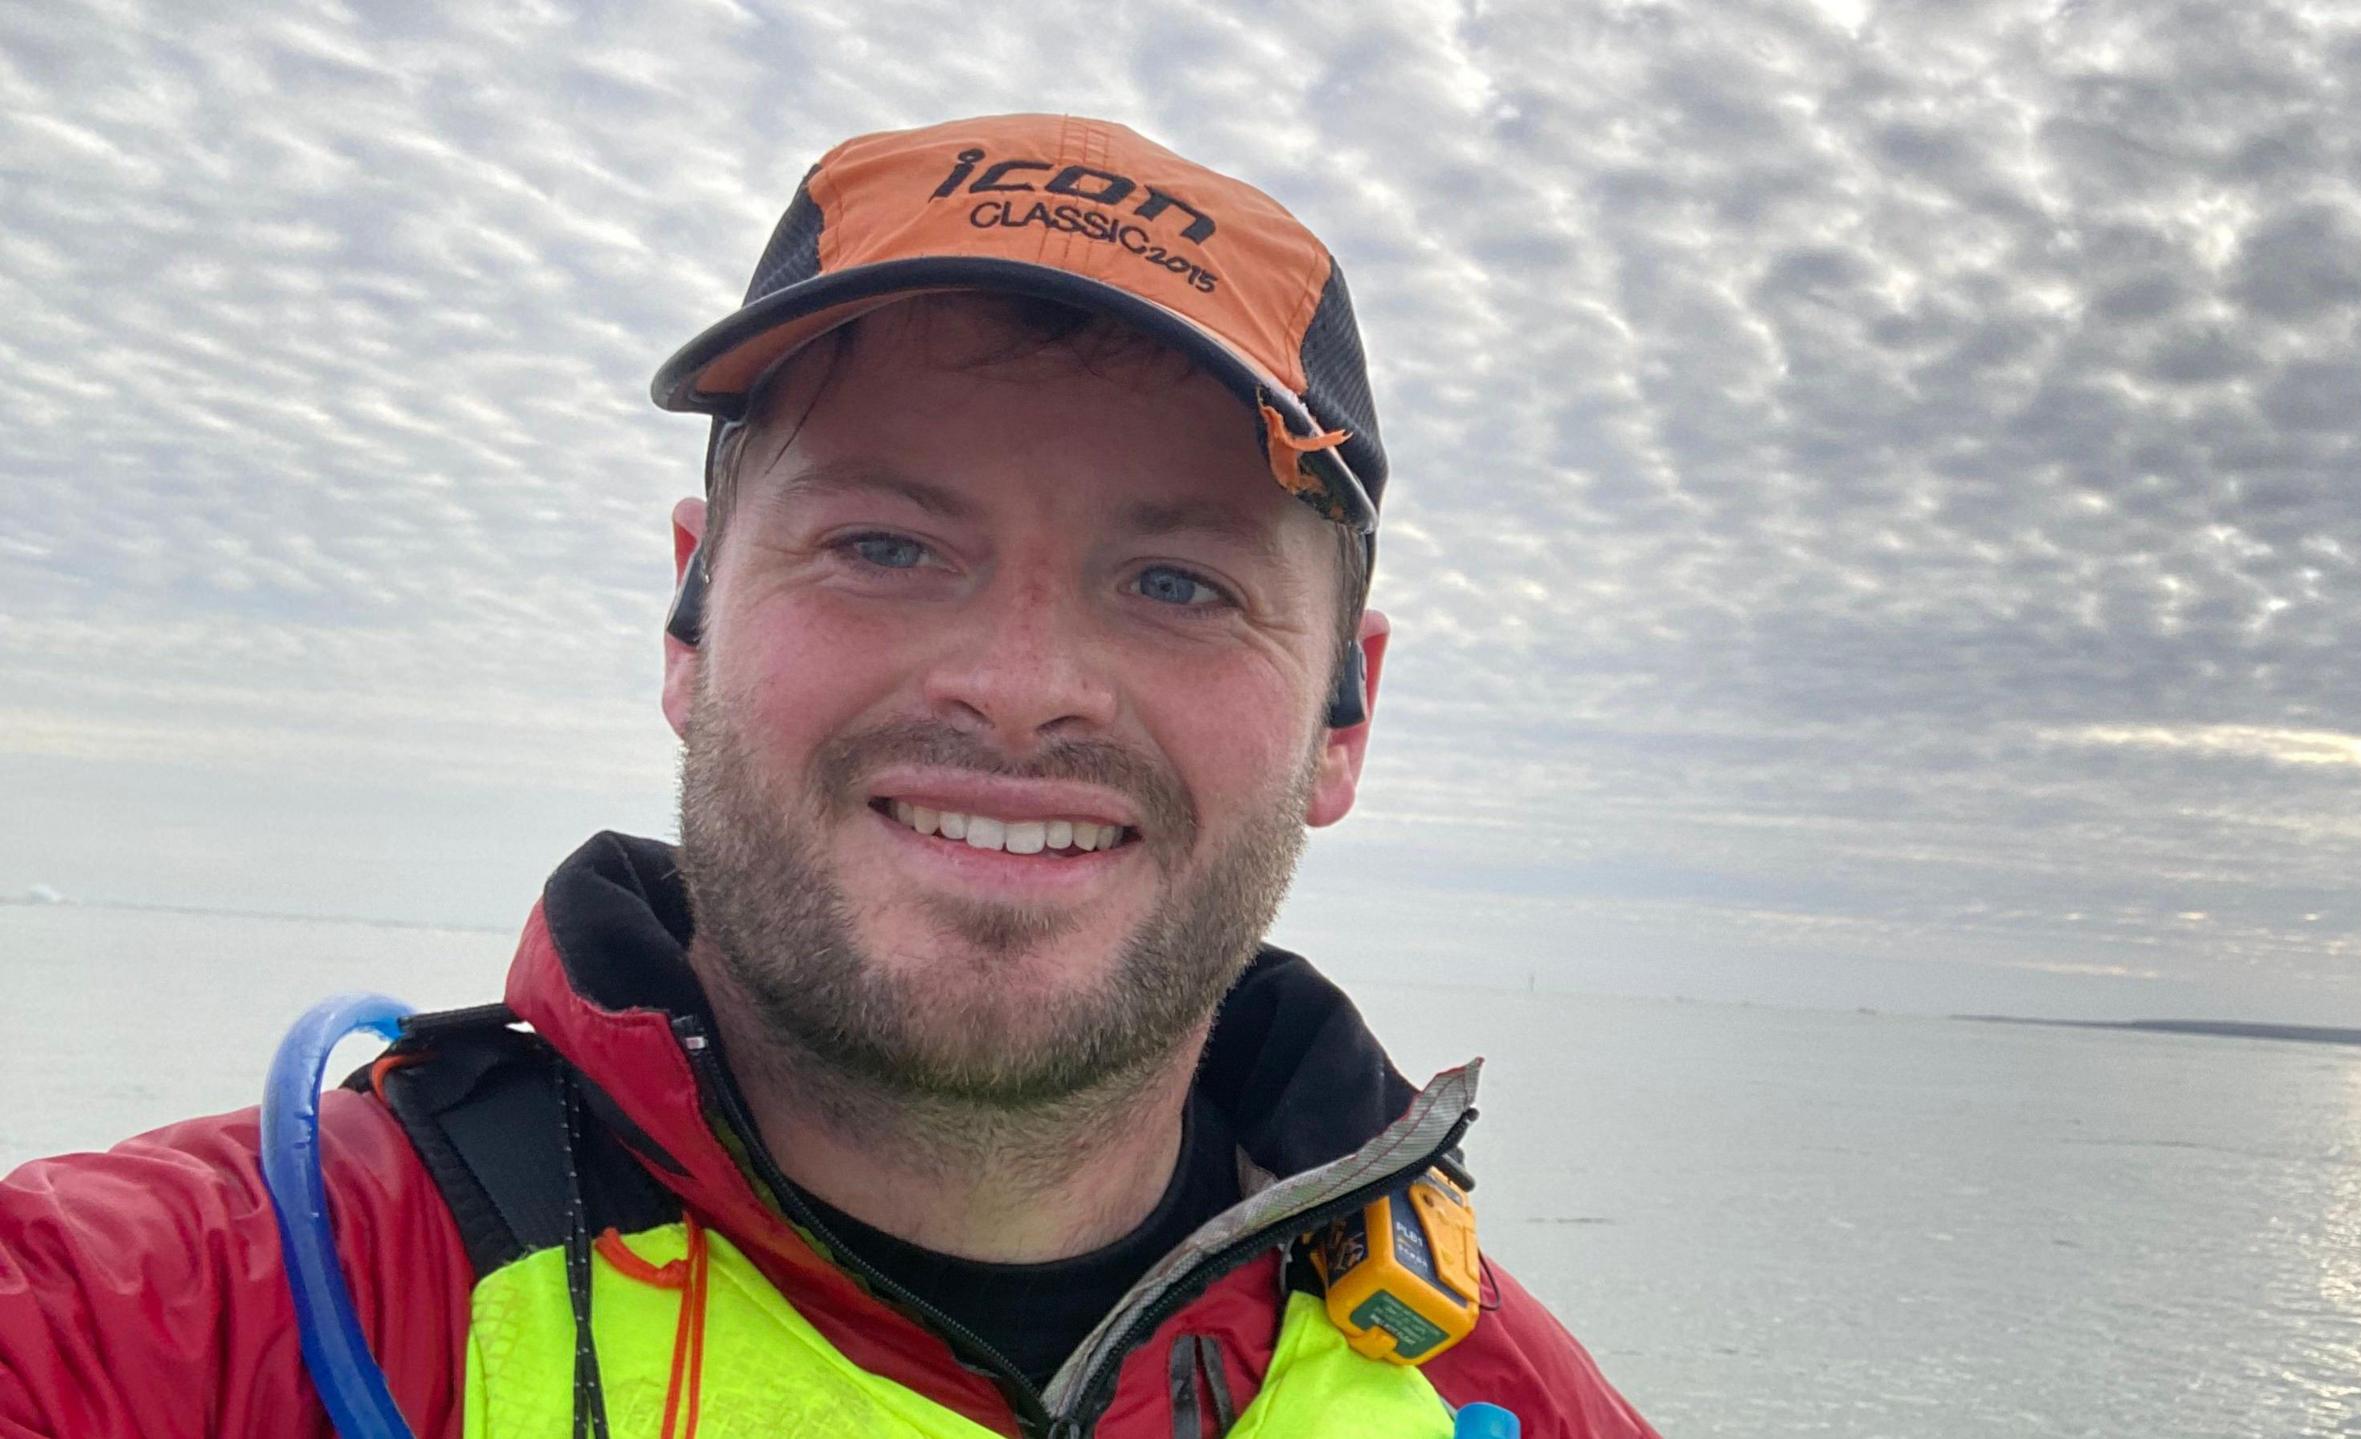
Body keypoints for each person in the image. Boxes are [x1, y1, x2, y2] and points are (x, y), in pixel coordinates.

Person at [0, 114, 1656, 1438]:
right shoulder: (203, 1310)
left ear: (1343, 724)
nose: (1017, 691)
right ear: (691, 614)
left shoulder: (1492, 1397)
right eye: (884, 542)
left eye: (1177, 584)